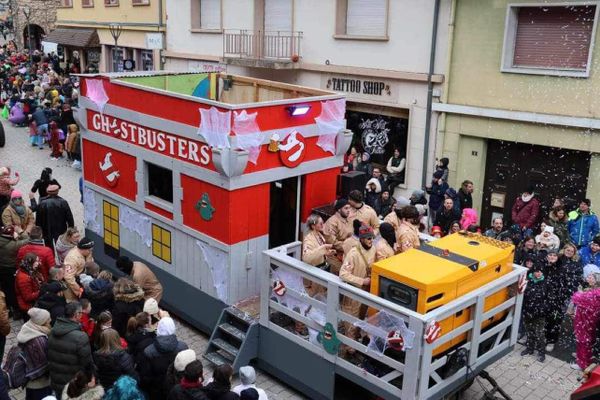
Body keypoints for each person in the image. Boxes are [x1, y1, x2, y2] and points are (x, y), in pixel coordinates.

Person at [339, 224, 376, 344]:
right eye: (368, 238)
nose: (371, 240)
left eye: (372, 238)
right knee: (351, 324)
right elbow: (343, 274)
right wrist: (362, 281)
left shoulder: (374, 249)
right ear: (361, 239)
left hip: (366, 292)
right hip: (354, 294)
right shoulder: (353, 254)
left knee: (361, 319)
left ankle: (355, 343)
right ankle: (349, 349)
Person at [48, 301, 93, 396]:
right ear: (76, 315)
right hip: (73, 384)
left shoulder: (52, 331)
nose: (82, 315)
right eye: (81, 313)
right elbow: (87, 364)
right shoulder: (80, 337)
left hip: (56, 381)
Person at [139, 317, 188, 400]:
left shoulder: (148, 351)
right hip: (173, 389)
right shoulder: (183, 347)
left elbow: (145, 376)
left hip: (155, 390)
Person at [17, 307, 53, 400]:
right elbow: (44, 364)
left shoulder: (28, 327)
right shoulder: (39, 340)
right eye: (48, 320)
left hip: (29, 380)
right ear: (42, 322)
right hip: (39, 384)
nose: (50, 321)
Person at [301, 214, 335, 296]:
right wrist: (323, 248)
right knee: (314, 295)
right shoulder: (308, 239)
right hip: (314, 271)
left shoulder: (319, 234)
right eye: (321, 223)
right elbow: (306, 257)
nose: (323, 225)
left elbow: (320, 251)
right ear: (313, 226)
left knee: (322, 293)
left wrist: (327, 253)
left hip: (323, 268)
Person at [571, 278, 600, 371]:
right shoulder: (595, 293)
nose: (588, 278)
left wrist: (579, 291)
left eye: (591, 277)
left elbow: (576, 298)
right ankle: (583, 356)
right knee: (588, 340)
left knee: (583, 341)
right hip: (591, 322)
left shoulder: (594, 294)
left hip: (584, 321)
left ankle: (582, 363)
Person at [520, 266, 547, 362]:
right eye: (537, 271)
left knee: (540, 333)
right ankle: (530, 348)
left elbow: (548, 298)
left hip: (540, 313)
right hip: (528, 310)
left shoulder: (546, 283)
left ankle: (541, 352)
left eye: (541, 272)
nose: (539, 273)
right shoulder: (527, 281)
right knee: (529, 330)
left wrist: (543, 309)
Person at [0, 225, 29, 315]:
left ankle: (9, 307)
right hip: (11, 268)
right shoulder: (13, 245)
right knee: (14, 289)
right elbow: (28, 239)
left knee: (5, 288)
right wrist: (20, 232)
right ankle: (17, 310)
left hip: (1, 268)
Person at [35, 185, 74, 250]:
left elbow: (38, 219)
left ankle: (51, 259)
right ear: (57, 191)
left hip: (46, 230)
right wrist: (71, 229)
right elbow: (69, 217)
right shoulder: (63, 202)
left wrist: (39, 230)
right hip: (61, 229)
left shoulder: (42, 203)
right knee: (61, 247)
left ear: (48, 192)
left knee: (49, 247)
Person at [322, 199, 353, 275]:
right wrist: (348, 246)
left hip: (347, 252)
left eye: (349, 208)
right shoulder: (332, 222)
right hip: (333, 255)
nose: (348, 210)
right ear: (339, 210)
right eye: (346, 208)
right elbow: (331, 242)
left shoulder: (349, 220)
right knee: (341, 273)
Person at [63, 237, 94, 302]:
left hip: (81, 278)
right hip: (71, 285)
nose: (91, 252)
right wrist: (78, 290)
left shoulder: (86, 253)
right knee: (74, 304)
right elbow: (68, 277)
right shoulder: (72, 259)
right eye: (89, 250)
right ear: (84, 249)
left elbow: (89, 264)